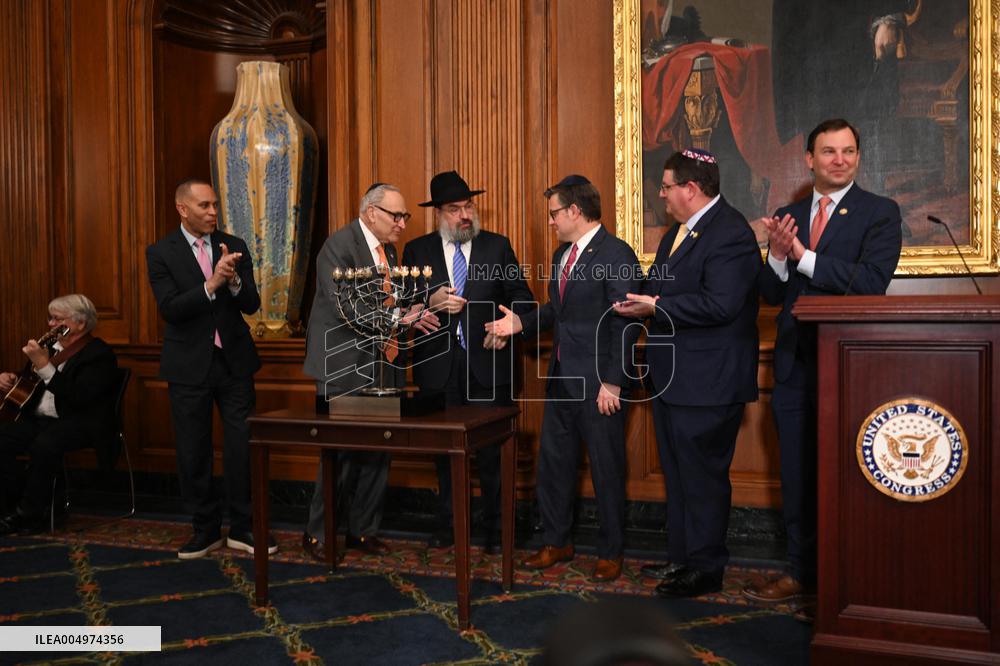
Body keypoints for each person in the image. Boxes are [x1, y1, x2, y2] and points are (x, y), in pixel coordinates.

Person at [743, 119, 902, 603]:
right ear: (809, 159)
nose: (840, 160)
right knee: (796, 474)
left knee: (847, 476)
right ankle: (800, 573)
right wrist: (776, 257)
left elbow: (871, 282)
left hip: (849, 368)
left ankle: (848, 580)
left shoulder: (879, 212)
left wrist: (802, 255)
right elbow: (771, 294)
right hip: (794, 367)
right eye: (829, 151)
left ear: (858, 157)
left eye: (848, 151)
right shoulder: (788, 214)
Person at [614, 148, 761, 597]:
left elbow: (722, 304)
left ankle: (706, 567)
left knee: (703, 478)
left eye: (666, 187)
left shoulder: (730, 232)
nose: (661, 195)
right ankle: (682, 558)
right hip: (673, 379)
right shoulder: (677, 232)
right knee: (679, 476)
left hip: (708, 382)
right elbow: (655, 288)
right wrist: (629, 298)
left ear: (691, 189)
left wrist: (655, 306)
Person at [487, 175, 640, 582]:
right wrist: (520, 324)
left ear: (575, 210)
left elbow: (625, 323)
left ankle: (611, 552)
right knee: (554, 465)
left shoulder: (617, 254)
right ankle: (556, 542)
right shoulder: (561, 256)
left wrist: (614, 381)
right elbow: (558, 311)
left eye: (555, 213)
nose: (551, 221)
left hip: (600, 385)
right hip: (561, 380)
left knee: (606, 469)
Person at [402, 170, 533, 553]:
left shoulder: (497, 247)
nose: (464, 215)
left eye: (468, 206)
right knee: (444, 453)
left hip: (489, 364)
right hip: (437, 367)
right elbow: (403, 305)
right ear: (438, 213)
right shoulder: (417, 251)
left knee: (492, 453)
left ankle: (496, 528)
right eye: (454, 209)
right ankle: (450, 524)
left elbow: (523, 298)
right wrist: (430, 301)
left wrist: (509, 325)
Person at [146, 178, 273, 559]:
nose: (213, 212)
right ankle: (204, 528)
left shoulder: (234, 245)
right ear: (182, 209)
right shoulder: (161, 252)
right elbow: (170, 309)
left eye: (215, 204)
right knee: (193, 450)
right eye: (204, 205)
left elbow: (251, 304)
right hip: (188, 366)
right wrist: (213, 283)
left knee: (242, 446)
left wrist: (233, 281)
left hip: (234, 363)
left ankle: (244, 526)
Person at [301, 182, 418, 559]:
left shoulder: (389, 250)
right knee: (341, 454)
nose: (402, 223)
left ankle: (363, 531)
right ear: (371, 212)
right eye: (396, 215)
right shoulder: (339, 246)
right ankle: (318, 534)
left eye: (404, 216)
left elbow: (391, 299)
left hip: (382, 364)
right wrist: (399, 319)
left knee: (378, 450)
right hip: (344, 366)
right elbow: (346, 307)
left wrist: (411, 311)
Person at [0, 294, 118, 535]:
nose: (51, 324)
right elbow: (29, 382)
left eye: (57, 319)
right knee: (3, 436)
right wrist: (10, 378)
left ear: (80, 324)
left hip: (80, 421)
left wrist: (45, 366)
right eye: (50, 318)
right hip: (40, 419)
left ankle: (31, 514)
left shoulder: (99, 354)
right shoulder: (49, 348)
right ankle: (15, 503)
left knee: (45, 444)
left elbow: (79, 398)